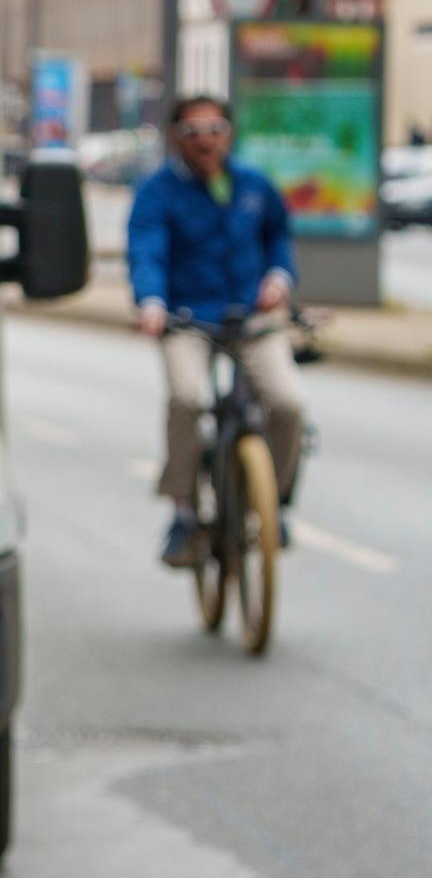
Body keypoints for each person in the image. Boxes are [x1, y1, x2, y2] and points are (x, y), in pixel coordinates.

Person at [128, 94, 306, 567]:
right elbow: (147, 250)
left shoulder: (253, 184)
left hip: (250, 318)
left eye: (215, 129)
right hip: (186, 317)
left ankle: (276, 502)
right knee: (187, 398)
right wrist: (151, 303)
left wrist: (279, 277)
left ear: (229, 132)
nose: (205, 140)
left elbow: (278, 238)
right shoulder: (157, 191)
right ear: (175, 138)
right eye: (193, 132)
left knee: (287, 403)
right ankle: (183, 511)